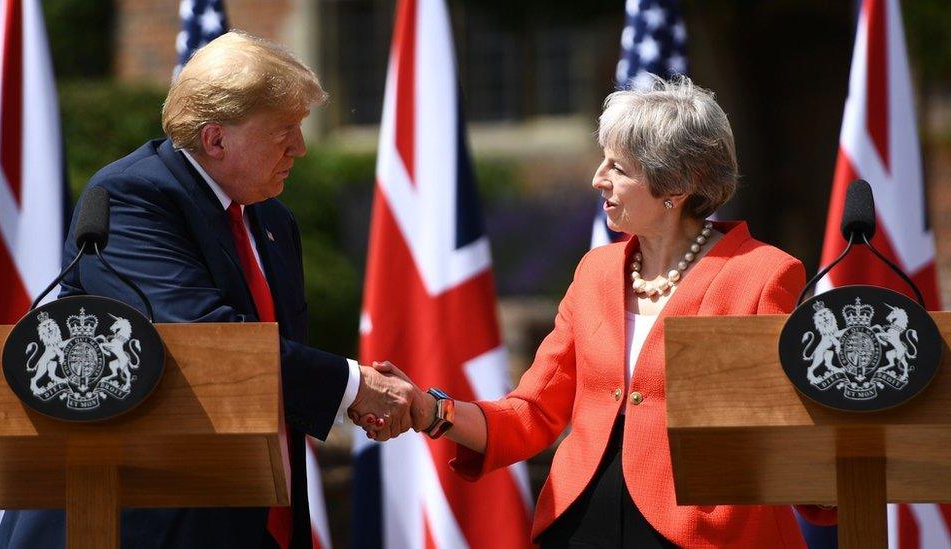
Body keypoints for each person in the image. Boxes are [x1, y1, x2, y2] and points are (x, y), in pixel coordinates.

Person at [357, 76, 837, 547]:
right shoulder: (596, 271)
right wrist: (431, 409)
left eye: (619, 168)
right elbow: (532, 413)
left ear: (678, 185)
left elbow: (784, 428)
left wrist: (833, 488)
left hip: (702, 533)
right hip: (578, 524)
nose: (597, 179)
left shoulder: (763, 275)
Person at [0, 31, 417, 549]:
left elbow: (275, 360)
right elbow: (202, 338)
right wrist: (352, 386)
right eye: (284, 130)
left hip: (254, 516)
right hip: (135, 524)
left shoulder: (271, 218)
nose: (301, 148)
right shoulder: (133, 197)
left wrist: (346, 396)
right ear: (216, 139)